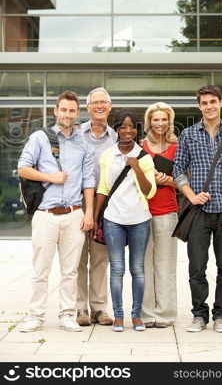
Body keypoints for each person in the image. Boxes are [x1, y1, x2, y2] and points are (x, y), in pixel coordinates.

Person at [18, 90, 95, 332]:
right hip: (46, 214)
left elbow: (89, 181)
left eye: (72, 111)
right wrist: (50, 176)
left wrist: (89, 212)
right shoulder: (40, 138)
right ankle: (36, 316)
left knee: (70, 271)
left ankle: (67, 315)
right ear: (55, 111)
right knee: (41, 269)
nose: (68, 114)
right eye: (64, 110)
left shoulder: (84, 142)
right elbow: (23, 168)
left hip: (74, 214)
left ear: (77, 112)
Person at [173, 85, 222, 333]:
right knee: (197, 266)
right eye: (204, 103)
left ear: (221, 103)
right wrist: (191, 195)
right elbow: (178, 171)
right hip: (199, 213)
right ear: (199, 106)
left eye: (213, 101)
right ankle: (199, 315)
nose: (209, 106)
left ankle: (221, 315)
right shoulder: (189, 134)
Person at [93, 109, 156, 332]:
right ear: (116, 129)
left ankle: (136, 316)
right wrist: (96, 218)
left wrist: (137, 167)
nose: (127, 130)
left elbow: (150, 192)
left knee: (137, 269)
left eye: (131, 126)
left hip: (139, 219)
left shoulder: (144, 156)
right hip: (113, 219)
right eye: (122, 126)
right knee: (117, 269)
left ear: (137, 129)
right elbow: (103, 188)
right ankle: (118, 316)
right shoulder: (107, 155)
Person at [76, 87, 117, 327]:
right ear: (88, 107)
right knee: (78, 259)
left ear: (109, 106)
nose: (99, 106)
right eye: (94, 103)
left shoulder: (116, 137)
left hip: (106, 205)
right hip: (78, 203)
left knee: (101, 258)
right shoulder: (75, 134)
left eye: (103, 102)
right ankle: (81, 307)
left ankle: (99, 308)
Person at [141, 102, 178, 328]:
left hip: (167, 211)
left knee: (165, 265)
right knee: (143, 265)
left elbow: (187, 180)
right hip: (142, 213)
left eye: (164, 119)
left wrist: (169, 180)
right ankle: (146, 314)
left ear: (169, 121)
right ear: (149, 121)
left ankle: (164, 314)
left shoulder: (177, 146)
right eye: (156, 119)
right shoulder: (140, 146)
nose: (160, 124)